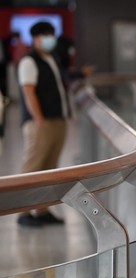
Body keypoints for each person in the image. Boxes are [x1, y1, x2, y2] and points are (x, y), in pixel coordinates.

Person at [16, 21, 70, 227]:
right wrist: (39, 120)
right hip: (41, 122)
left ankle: (42, 210)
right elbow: (28, 92)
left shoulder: (50, 58)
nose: (49, 39)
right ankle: (22, 212)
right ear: (35, 38)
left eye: (51, 34)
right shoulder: (29, 61)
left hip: (57, 119)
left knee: (49, 168)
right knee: (32, 167)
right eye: (45, 35)